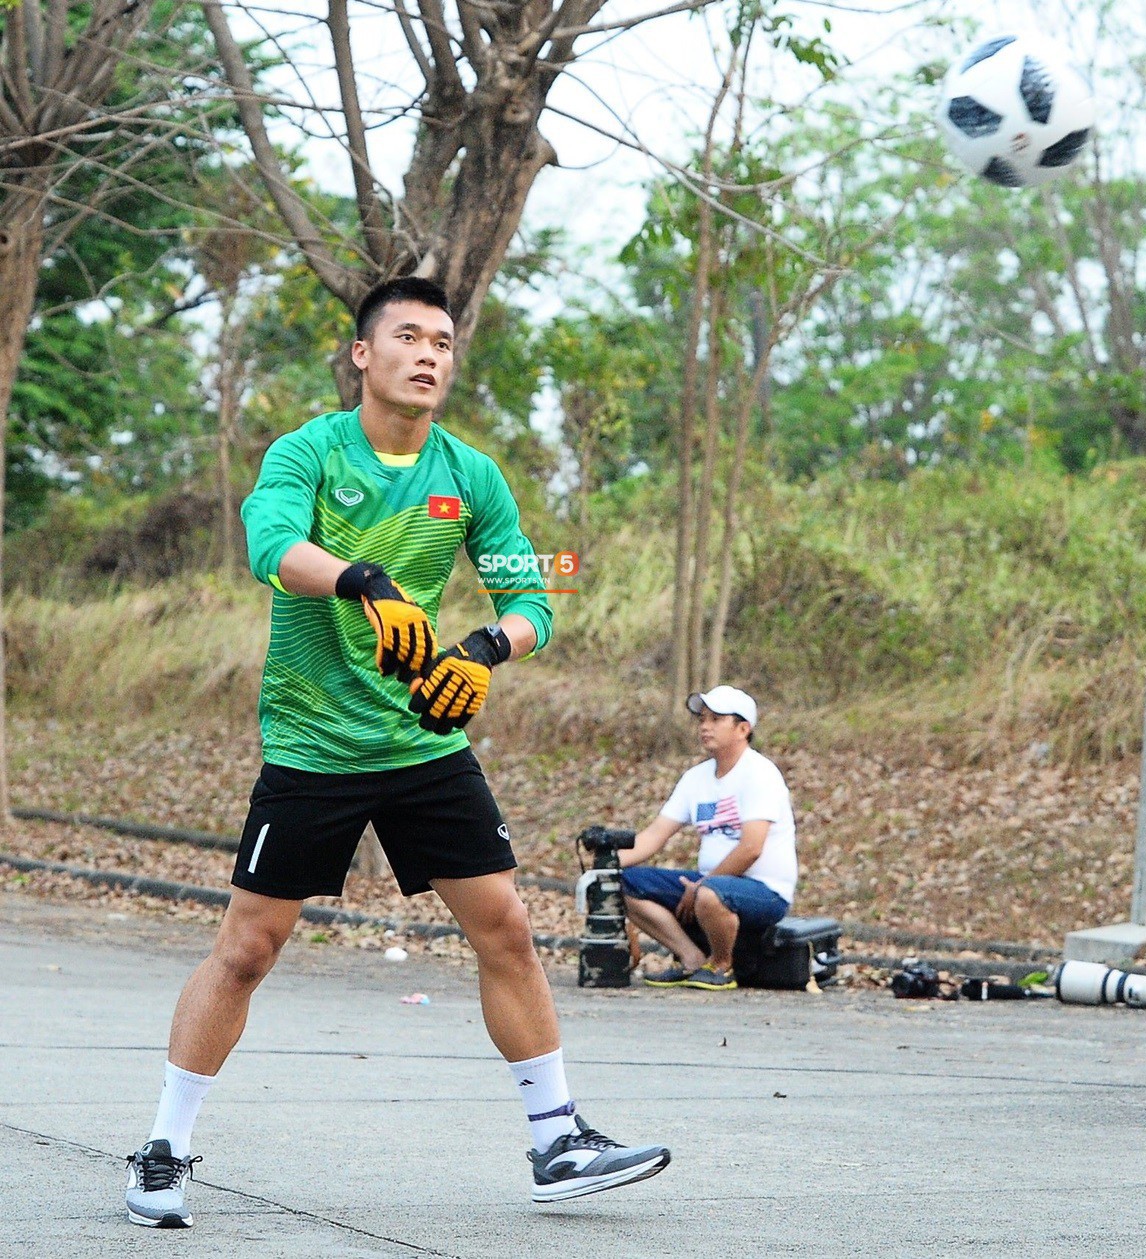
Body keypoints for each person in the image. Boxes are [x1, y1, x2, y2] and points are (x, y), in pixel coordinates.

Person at [123, 277, 668, 1228]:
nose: (429, 354)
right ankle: (163, 1151)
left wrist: (489, 648)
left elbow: (532, 596)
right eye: (408, 336)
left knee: (505, 927)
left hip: (424, 738)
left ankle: (557, 1138)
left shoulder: (473, 474)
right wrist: (362, 578)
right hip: (314, 740)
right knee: (249, 947)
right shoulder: (308, 452)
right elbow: (271, 545)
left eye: (445, 342)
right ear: (362, 356)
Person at [620, 686, 797, 992]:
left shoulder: (760, 774)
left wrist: (703, 885)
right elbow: (654, 835)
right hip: (709, 884)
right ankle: (692, 960)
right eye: (702, 719)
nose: (705, 726)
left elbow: (751, 849)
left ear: (743, 729)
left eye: (716, 719)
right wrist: (606, 865)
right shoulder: (696, 778)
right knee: (625, 883)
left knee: (710, 894)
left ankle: (722, 966)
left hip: (765, 891)